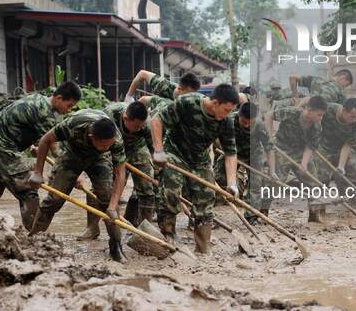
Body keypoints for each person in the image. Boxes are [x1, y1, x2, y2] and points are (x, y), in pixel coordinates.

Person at [0, 82, 81, 231]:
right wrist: (71, 175)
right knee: (28, 189)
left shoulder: (37, 99)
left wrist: (36, 147)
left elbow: (32, 131)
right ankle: (37, 237)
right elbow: (55, 147)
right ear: (58, 98)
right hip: (2, 149)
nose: (68, 110)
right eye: (69, 105)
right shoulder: (45, 113)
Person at [28, 110, 127, 262]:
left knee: (107, 199)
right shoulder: (73, 125)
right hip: (73, 153)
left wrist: (113, 206)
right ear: (91, 137)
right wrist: (38, 172)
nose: (108, 147)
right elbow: (45, 140)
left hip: (99, 159)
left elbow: (121, 175)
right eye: (103, 144)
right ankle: (32, 241)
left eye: (110, 145)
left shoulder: (115, 140)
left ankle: (116, 247)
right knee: (53, 200)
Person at [151, 84, 239, 254]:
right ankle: (168, 234)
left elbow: (231, 153)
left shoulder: (226, 121)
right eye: (226, 110)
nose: (228, 115)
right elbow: (157, 120)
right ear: (215, 103)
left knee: (206, 198)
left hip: (200, 159)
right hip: (175, 151)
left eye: (231, 111)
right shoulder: (186, 103)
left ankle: (202, 246)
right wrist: (159, 150)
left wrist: (232, 183)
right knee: (171, 191)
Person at [77, 101, 153, 240]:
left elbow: (153, 149)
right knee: (102, 187)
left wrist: (157, 172)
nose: (139, 129)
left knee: (147, 187)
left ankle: (146, 232)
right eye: (136, 126)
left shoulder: (146, 125)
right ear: (125, 118)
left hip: (136, 148)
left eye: (141, 126)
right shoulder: (109, 114)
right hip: (110, 147)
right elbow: (97, 141)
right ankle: (92, 227)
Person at [265, 96, 328, 222]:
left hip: (300, 152)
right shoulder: (291, 113)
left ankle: (315, 215)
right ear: (309, 109)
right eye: (319, 114)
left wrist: (304, 164)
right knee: (276, 181)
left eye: (322, 115)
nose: (320, 118)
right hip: (282, 149)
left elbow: (310, 147)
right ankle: (262, 211)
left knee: (313, 182)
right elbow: (269, 116)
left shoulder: (317, 126)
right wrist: (270, 136)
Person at [215, 102, 276, 224]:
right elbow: (217, 138)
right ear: (239, 115)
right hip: (232, 152)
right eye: (244, 122)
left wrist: (272, 171)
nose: (247, 125)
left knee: (256, 185)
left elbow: (269, 149)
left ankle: (251, 216)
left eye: (250, 123)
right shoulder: (229, 121)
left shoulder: (259, 125)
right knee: (218, 178)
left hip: (253, 154)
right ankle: (213, 213)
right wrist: (226, 152)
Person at [315, 98, 356, 212]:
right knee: (321, 179)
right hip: (323, 148)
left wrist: (341, 166)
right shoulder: (328, 110)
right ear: (343, 110)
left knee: (355, 174)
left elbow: (348, 144)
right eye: (352, 116)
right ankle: (317, 212)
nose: (354, 120)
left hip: (342, 148)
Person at [125, 70, 200, 102]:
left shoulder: (194, 100)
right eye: (189, 94)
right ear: (180, 89)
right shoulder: (163, 86)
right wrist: (129, 96)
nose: (191, 97)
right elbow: (142, 74)